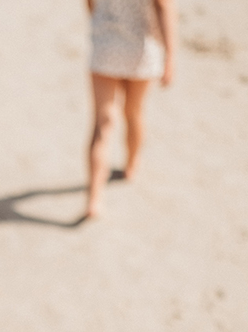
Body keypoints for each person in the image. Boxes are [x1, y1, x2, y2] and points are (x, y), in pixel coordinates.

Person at [85, 0, 177, 218]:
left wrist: (102, 24)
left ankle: (94, 198)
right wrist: (170, 55)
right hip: (141, 48)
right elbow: (164, 8)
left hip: (106, 46)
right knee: (133, 112)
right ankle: (131, 166)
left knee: (102, 124)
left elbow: (90, 3)